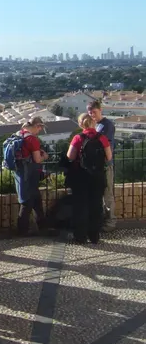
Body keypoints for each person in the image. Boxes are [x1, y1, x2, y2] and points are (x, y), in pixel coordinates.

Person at [66, 114, 112, 244]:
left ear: (81, 124)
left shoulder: (78, 138)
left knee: (81, 206)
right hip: (97, 176)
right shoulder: (102, 138)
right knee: (96, 205)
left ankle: (80, 236)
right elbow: (109, 157)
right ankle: (94, 236)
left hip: (81, 176)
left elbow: (70, 156)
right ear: (93, 123)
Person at [13, 117, 49, 235]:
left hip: (20, 172)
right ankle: (22, 230)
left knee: (36, 200)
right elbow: (37, 159)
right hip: (30, 174)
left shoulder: (19, 134)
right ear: (36, 126)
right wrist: (44, 156)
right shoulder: (32, 139)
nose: (39, 131)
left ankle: (43, 226)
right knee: (27, 202)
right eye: (40, 128)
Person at [88, 100, 116, 231]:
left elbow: (106, 146)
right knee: (99, 194)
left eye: (94, 112)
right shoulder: (97, 125)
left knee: (108, 193)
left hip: (106, 164)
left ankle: (110, 222)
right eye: (90, 112)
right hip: (98, 166)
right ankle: (102, 221)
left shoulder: (107, 125)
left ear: (100, 110)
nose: (92, 115)